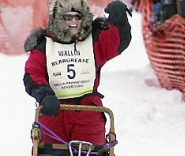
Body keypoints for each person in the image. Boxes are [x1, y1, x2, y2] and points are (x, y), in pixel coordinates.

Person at [24, 0, 132, 146]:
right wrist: (44, 95)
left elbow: (115, 42)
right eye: (68, 17)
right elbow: (33, 73)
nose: (74, 21)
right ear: (58, 18)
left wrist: (119, 20)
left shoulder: (93, 41)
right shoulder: (45, 45)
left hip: (88, 114)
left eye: (78, 17)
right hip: (54, 112)